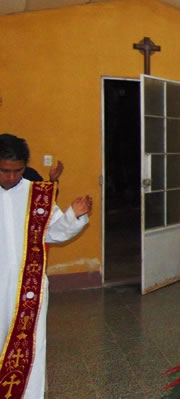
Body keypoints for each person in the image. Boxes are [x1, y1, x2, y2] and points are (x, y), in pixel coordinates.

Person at [0, 134, 91, 399]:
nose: (11, 177)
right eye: (4, 170)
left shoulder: (37, 194)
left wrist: (74, 215)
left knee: (30, 347)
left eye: (17, 171)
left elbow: (54, 233)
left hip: (28, 290)